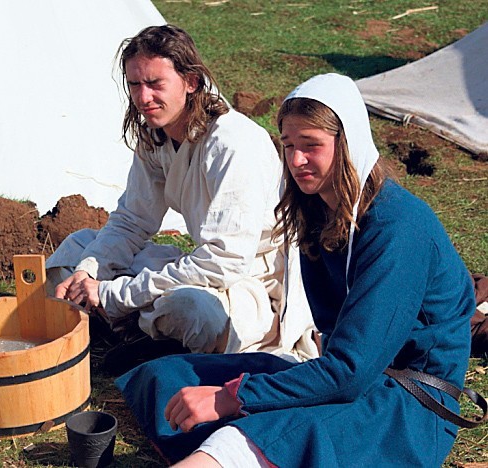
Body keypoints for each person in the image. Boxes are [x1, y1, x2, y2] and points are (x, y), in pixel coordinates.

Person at [115, 73, 482, 467]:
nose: (295, 161)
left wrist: (233, 398)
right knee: (169, 379)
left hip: (406, 403)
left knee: (248, 438)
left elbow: (350, 371)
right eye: (288, 146)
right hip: (345, 375)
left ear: (349, 145)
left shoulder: (399, 229)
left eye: (311, 146)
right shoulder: (317, 211)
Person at [45, 24, 318, 372]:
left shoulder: (233, 143)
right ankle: (139, 331)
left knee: (190, 308)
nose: (143, 98)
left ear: (190, 82)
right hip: (203, 264)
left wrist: (115, 293)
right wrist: (87, 274)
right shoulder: (155, 136)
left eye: (155, 84)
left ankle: (134, 331)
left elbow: (225, 261)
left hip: (251, 282)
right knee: (76, 247)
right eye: (134, 85)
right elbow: (132, 220)